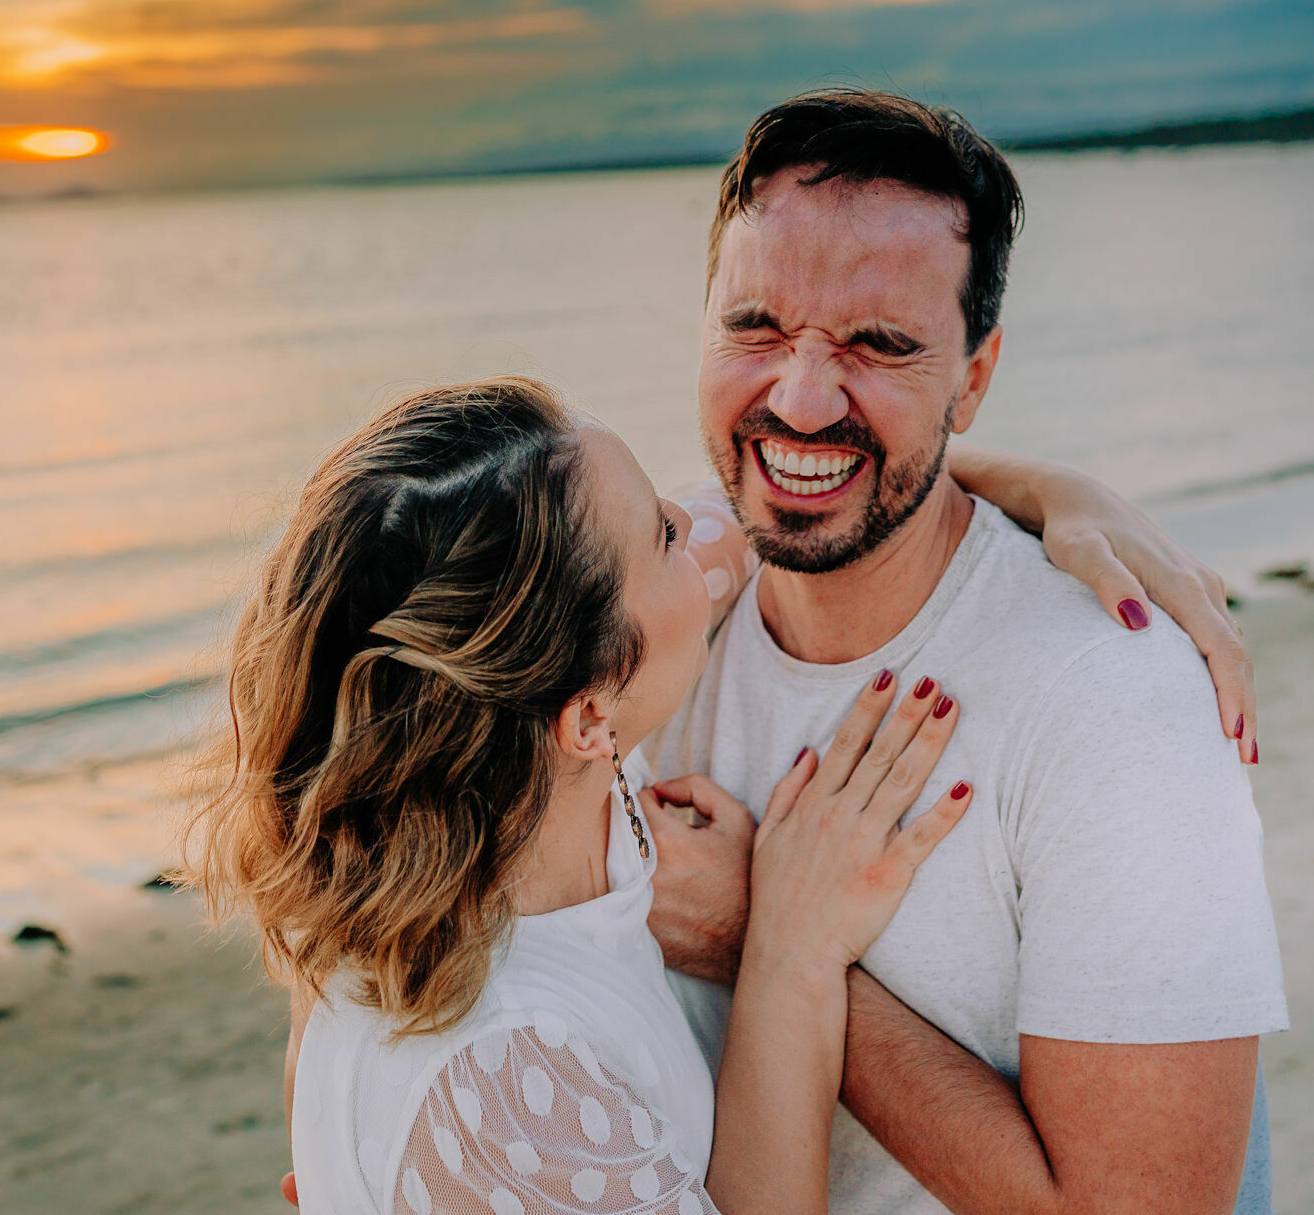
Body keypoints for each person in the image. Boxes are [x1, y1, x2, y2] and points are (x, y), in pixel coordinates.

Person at [190, 377, 1253, 1213]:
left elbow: (803, 495)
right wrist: (785, 939)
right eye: (661, 533)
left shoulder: (515, 808)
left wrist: (1055, 490)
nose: (708, 539)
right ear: (589, 714)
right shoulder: (503, 1073)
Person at [639, 89, 1287, 1215]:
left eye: (878, 344)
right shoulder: (647, 623)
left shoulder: (1112, 701)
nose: (798, 395)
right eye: (755, 328)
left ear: (975, 377)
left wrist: (760, 930)